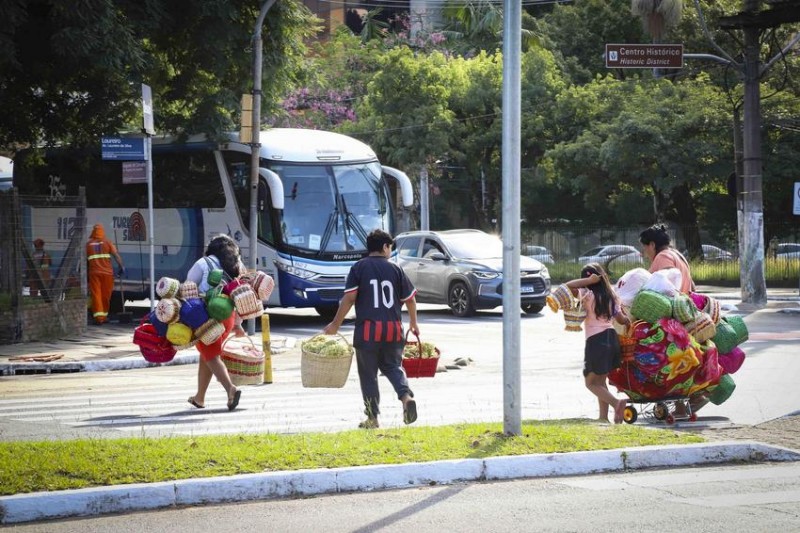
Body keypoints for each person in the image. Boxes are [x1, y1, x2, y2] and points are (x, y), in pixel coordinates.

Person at [323, 229, 419, 429]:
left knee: (368, 375)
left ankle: (372, 418)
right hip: (393, 330)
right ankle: (406, 397)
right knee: (393, 367)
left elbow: (349, 298)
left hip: (368, 332)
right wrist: (413, 323)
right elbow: (410, 300)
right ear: (385, 247)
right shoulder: (396, 269)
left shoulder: (359, 267)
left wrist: (335, 324)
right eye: (390, 247)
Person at [566, 263, 630, 424]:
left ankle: (617, 403)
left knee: (590, 383)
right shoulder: (612, 296)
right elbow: (621, 319)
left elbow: (567, 286)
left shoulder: (587, 295)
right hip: (612, 339)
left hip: (596, 341)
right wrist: (628, 321)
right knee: (600, 382)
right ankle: (603, 418)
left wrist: (588, 281)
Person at [185, 234, 243, 411]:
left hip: (206, 317)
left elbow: (188, 287)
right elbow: (240, 293)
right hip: (227, 316)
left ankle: (231, 389)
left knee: (211, 356)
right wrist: (238, 323)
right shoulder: (236, 265)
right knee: (207, 355)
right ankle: (199, 397)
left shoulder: (203, 263)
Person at [639, 223, 694, 294]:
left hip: (674, 301)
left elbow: (668, 285)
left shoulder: (663, 256)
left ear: (652, 245)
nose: (643, 251)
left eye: (644, 246)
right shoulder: (677, 254)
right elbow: (692, 286)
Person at [86, 223, 125, 324]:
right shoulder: (108, 242)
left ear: (93, 232)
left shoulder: (88, 244)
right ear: (102, 232)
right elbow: (116, 256)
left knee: (96, 295)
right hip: (107, 273)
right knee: (106, 296)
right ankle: (103, 317)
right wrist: (121, 266)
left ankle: (99, 318)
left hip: (94, 273)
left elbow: (85, 260)